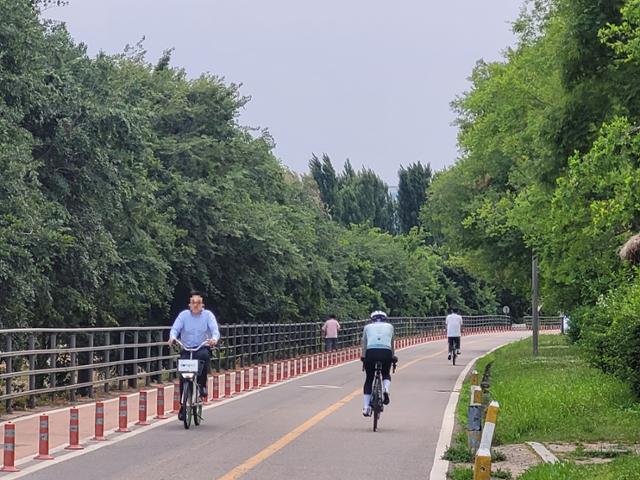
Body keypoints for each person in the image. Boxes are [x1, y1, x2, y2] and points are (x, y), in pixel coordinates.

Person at [168, 291, 220, 419]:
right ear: (189, 304)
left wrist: (214, 339)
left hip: (202, 346)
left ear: (202, 304)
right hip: (187, 348)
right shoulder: (184, 315)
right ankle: (183, 405)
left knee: (203, 358)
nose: (195, 305)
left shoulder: (208, 315)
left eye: (198, 303)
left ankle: (202, 385)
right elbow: (175, 328)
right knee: (183, 373)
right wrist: (172, 337)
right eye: (193, 302)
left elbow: (215, 330)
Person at [360, 310, 397, 417]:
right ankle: (385, 389)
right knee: (385, 373)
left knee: (369, 378)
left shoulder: (367, 327)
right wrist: (392, 356)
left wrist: (363, 356)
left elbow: (364, 343)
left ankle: (366, 407)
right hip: (386, 352)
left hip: (371, 352)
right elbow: (391, 343)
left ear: (372, 319)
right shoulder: (390, 327)